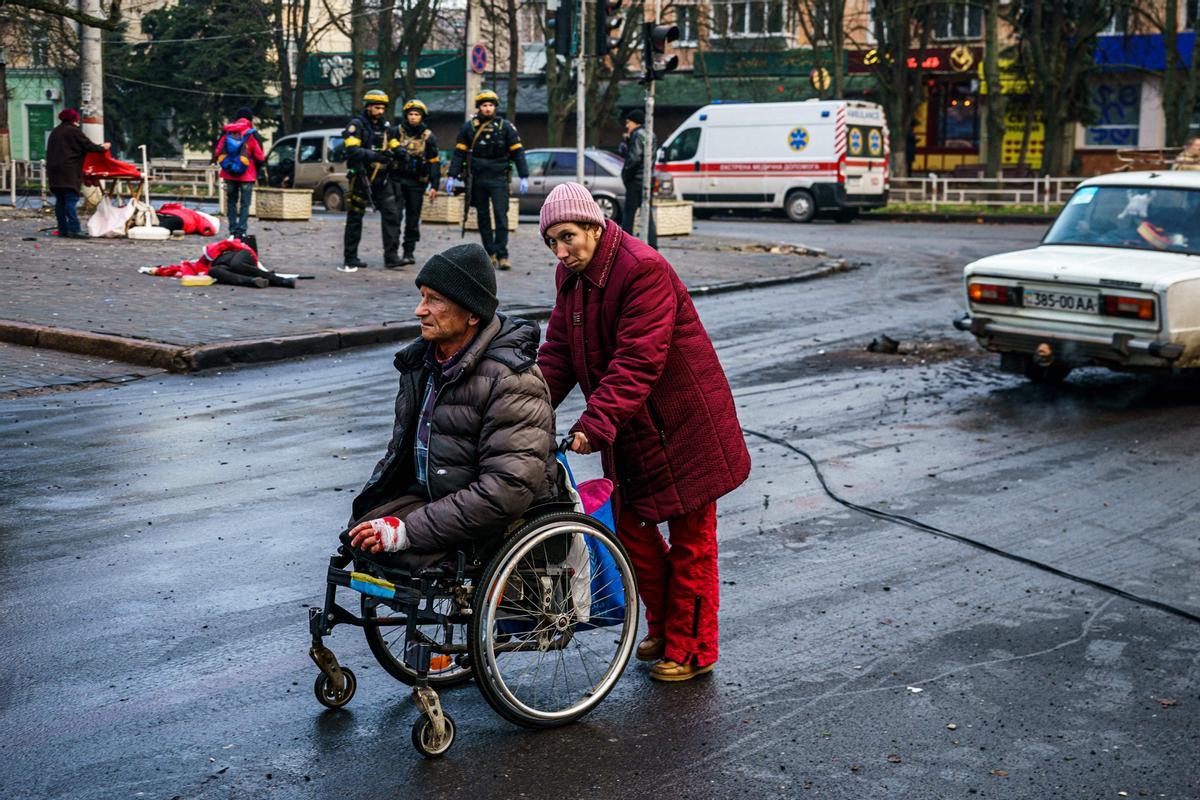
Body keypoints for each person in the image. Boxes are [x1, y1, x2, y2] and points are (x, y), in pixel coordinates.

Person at [535, 182, 751, 682]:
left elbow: (638, 360)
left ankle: (694, 648)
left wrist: (595, 423)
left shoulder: (643, 269)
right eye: (551, 242)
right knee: (630, 532)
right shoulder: (572, 274)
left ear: (593, 224)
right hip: (635, 430)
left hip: (686, 428)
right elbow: (559, 354)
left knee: (693, 540)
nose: (561, 251)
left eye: (567, 237)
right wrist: (525, 409)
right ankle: (666, 625)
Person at [345, 243, 560, 566]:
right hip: (441, 500)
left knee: (390, 546)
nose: (420, 310)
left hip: (499, 522)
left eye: (434, 300)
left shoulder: (513, 380)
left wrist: (407, 530)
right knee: (357, 538)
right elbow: (398, 456)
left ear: (473, 313)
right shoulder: (422, 364)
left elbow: (507, 489)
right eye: (422, 297)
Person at [445, 90, 529, 271]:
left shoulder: (505, 127)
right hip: (478, 179)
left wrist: (524, 175)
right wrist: (451, 175)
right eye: (484, 105)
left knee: (501, 216)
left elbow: (518, 152)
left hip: (499, 178)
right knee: (483, 217)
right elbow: (459, 153)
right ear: (479, 108)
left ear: (495, 107)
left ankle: (503, 254)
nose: (488, 108)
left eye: (491, 105)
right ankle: (489, 253)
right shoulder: (470, 127)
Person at [341, 89, 403, 273]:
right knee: (355, 218)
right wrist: (375, 156)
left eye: (383, 107)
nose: (381, 111)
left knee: (392, 214)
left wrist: (400, 153)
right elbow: (352, 150)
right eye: (377, 107)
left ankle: (391, 257)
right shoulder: (356, 125)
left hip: (382, 178)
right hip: (361, 177)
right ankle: (350, 257)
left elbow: (393, 144)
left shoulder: (385, 127)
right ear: (368, 107)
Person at [388, 99, 442, 267]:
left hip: (417, 183)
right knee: (395, 217)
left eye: (416, 114)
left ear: (422, 117)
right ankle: (392, 252)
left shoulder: (428, 137)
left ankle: (408, 252)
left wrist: (434, 185)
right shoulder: (396, 132)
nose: (413, 117)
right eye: (410, 114)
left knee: (413, 219)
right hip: (397, 180)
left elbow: (434, 162)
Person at [45, 108, 109, 239]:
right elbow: (88, 146)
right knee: (70, 199)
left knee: (60, 201)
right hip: (68, 171)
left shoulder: (55, 131)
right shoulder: (73, 131)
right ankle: (75, 229)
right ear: (74, 119)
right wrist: (103, 148)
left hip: (54, 171)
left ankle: (63, 229)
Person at [213, 106, 265, 241]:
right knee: (245, 204)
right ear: (250, 119)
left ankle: (232, 230)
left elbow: (217, 152)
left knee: (231, 202)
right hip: (247, 175)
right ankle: (241, 231)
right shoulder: (251, 134)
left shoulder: (228, 133)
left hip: (229, 173)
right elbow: (260, 156)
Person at [620, 108, 655, 242]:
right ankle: (652, 245)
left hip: (635, 181)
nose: (627, 125)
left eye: (628, 122)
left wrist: (625, 175)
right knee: (647, 214)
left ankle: (625, 243)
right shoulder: (651, 134)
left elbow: (634, 158)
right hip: (646, 180)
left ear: (636, 122)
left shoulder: (637, 135)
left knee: (629, 215)